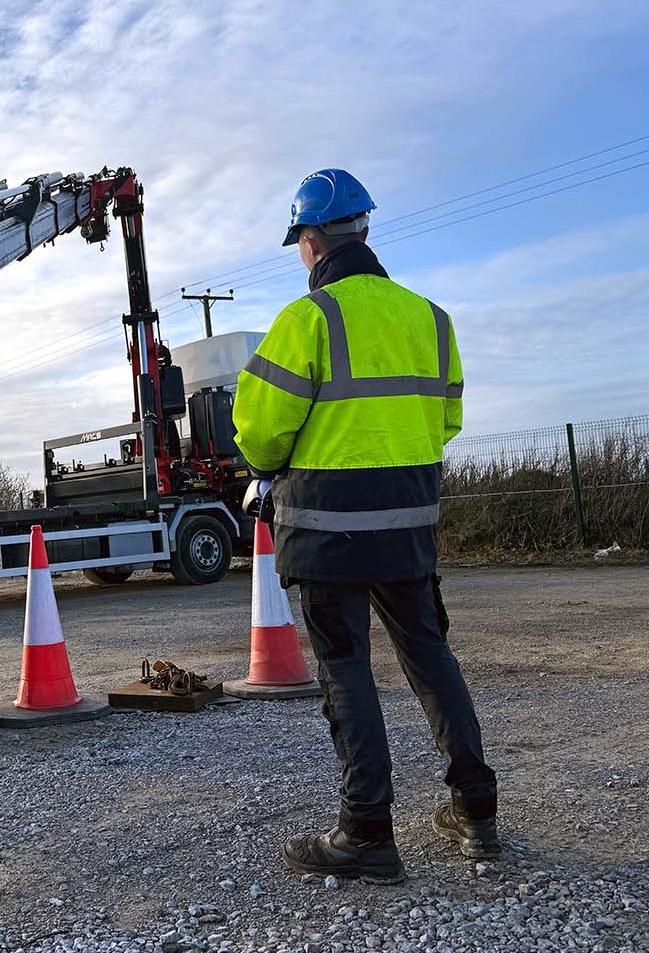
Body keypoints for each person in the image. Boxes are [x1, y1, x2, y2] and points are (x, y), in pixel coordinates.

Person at [232, 169, 498, 883]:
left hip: (325, 530)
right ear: (366, 233)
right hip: (408, 523)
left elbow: (259, 436)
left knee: (347, 671)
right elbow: (447, 420)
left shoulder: (307, 320)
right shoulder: (430, 318)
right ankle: (477, 809)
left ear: (311, 243)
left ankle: (367, 832)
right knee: (430, 656)